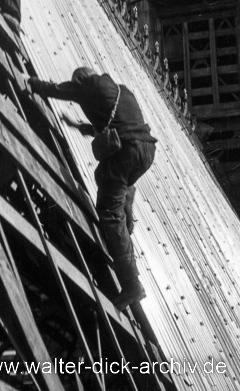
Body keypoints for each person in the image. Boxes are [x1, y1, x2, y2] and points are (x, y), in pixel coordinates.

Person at [27, 66, 156, 310]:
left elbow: (55, 89)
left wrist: (32, 82)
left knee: (108, 211)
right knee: (106, 178)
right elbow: (113, 122)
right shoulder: (121, 92)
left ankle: (131, 283)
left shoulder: (88, 85)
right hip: (146, 152)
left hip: (126, 152)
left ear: (81, 79)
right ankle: (126, 224)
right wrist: (78, 126)